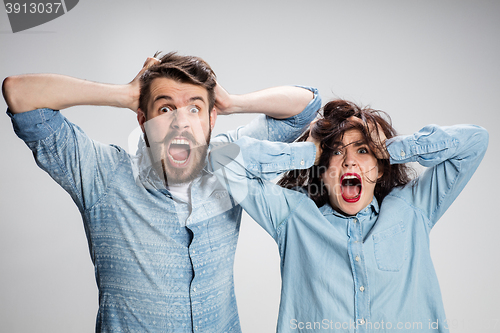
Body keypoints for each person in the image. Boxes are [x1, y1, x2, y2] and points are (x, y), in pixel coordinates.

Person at [2, 52, 321, 332]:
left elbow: (305, 107)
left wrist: (232, 102)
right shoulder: (104, 176)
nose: (180, 122)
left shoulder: (230, 163)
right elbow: (19, 94)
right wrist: (124, 94)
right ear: (143, 120)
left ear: (212, 119)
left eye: (195, 109)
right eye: (166, 109)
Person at [209, 99, 488, 333]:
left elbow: (475, 140)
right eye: (336, 151)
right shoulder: (294, 219)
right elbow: (220, 157)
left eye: (363, 150)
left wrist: (390, 148)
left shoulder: (413, 208)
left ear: (379, 169)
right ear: (322, 170)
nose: (349, 161)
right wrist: (308, 151)